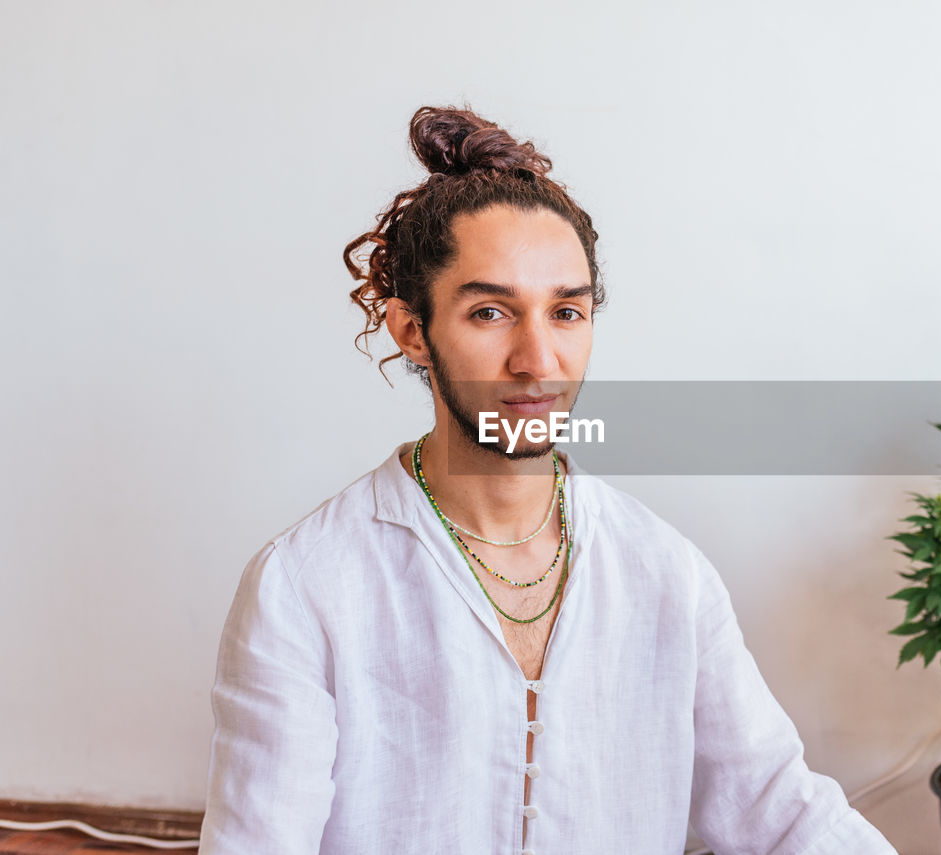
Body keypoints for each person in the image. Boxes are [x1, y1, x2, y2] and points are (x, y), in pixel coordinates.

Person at [198, 105, 897, 855]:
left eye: (566, 311)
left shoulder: (667, 575)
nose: (538, 359)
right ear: (412, 330)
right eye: (491, 311)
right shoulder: (305, 587)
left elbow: (780, 810)